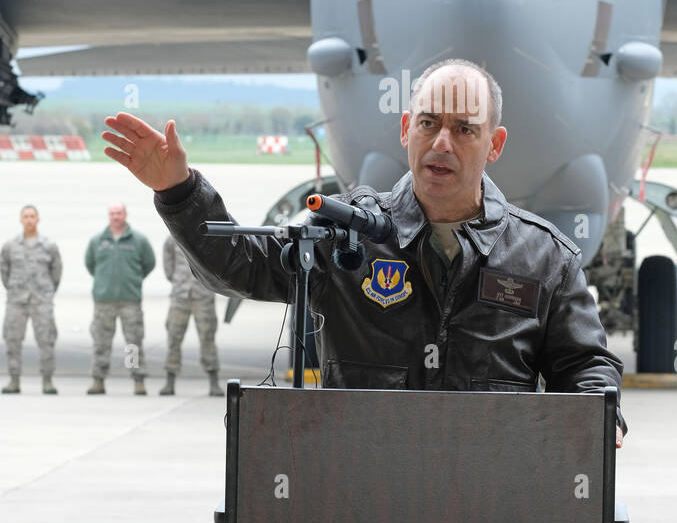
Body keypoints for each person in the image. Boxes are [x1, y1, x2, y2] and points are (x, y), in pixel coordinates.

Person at [101, 60, 625, 440]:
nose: (443, 142)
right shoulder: (343, 232)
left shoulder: (544, 258)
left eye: (465, 129)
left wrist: (600, 421)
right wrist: (179, 192)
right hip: (359, 496)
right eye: (429, 122)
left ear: (495, 144)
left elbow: (584, 367)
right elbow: (240, 266)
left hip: (487, 502)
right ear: (406, 129)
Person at [84, 203, 156, 394]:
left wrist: (132, 280)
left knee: (132, 343)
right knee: (101, 342)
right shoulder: (97, 241)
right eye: (112, 213)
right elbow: (90, 264)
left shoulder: (138, 240)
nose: (116, 216)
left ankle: (137, 380)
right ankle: (98, 380)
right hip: (104, 301)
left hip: (130, 301)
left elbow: (149, 263)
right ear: (109, 216)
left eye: (119, 213)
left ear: (125, 214)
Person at [1, 205, 62, 394]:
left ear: (37, 219)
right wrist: (13, 289)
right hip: (17, 301)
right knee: (12, 340)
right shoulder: (10, 246)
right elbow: (4, 271)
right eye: (25, 216)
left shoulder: (48, 245)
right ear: (21, 220)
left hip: (41, 301)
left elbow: (56, 271)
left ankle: (47, 380)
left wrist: (47, 292)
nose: (29, 219)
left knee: (46, 341)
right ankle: (14, 380)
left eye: (32, 216)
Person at [162, 235, 223, 396]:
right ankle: (170, 380)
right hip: (180, 295)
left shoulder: (209, 237)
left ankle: (213, 380)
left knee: (207, 337)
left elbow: (217, 265)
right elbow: (168, 265)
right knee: (174, 337)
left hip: (203, 295)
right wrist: (177, 281)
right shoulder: (173, 238)